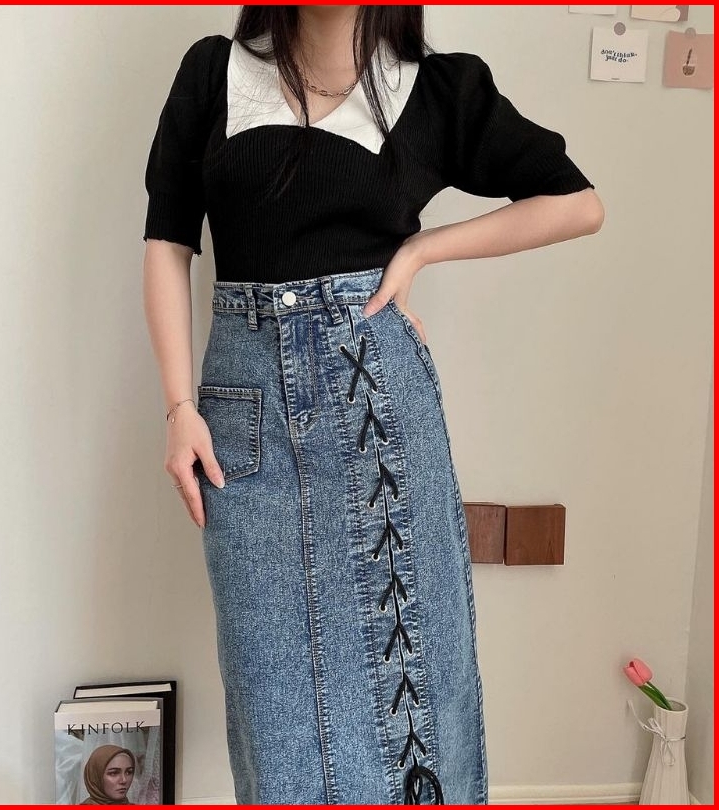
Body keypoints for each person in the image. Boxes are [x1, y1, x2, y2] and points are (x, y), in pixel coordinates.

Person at [142, 6, 604, 805]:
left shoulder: (435, 88)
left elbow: (577, 202)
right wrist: (179, 406)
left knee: (413, 676)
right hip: (241, 416)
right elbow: (167, 242)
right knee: (272, 701)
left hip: (377, 399)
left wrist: (422, 249)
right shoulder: (214, 73)